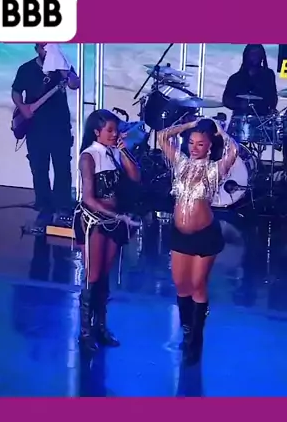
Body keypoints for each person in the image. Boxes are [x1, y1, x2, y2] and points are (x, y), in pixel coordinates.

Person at [158, 117, 238, 363]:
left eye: (200, 144)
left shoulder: (215, 169)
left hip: (204, 235)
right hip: (179, 234)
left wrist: (220, 131)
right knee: (181, 284)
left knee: (197, 284)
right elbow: (162, 136)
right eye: (191, 143)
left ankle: (196, 339)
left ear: (209, 146)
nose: (194, 147)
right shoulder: (181, 163)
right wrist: (188, 126)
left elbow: (233, 151)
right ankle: (187, 331)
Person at [74, 110, 141, 352]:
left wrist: (124, 151)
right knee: (92, 276)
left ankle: (100, 327)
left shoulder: (113, 153)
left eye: (116, 130)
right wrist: (118, 216)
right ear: (96, 132)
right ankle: (85, 332)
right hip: (94, 221)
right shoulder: (88, 156)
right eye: (110, 131)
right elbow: (89, 199)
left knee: (104, 276)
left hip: (113, 220)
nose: (115, 135)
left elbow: (135, 177)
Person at [11, 43, 79, 224]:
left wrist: (64, 70)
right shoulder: (26, 69)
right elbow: (16, 92)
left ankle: (63, 205)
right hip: (35, 127)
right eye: (43, 47)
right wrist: (22, 108)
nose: (47, 50)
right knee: (39, 168)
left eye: (51, 46)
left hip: (60, 126)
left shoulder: (62, 66)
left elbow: (75, 84)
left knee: (62, 167)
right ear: (37, 49)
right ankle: (44, 206)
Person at [222, 44, 278, 117]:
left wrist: (272, 109)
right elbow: (226, 100)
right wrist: (239, 104)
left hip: (262, 117)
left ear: (262, 56)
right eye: (252, 54)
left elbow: (273, 96)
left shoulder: (268, 75)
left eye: (258, 54)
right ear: (246, 56)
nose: (255, 57)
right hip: (240, 117)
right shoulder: (235, 78)